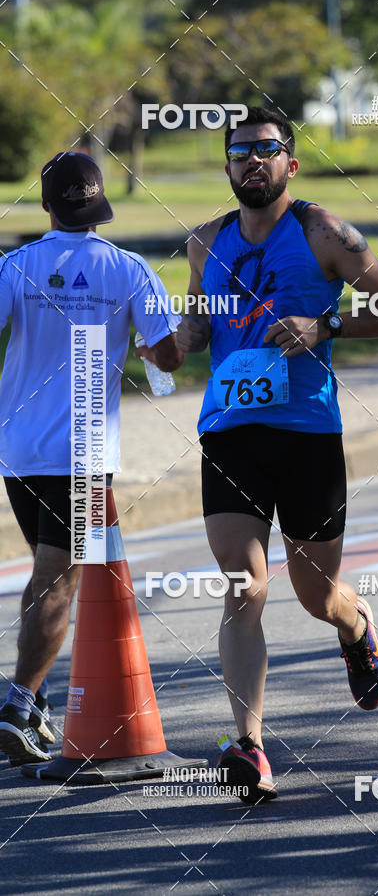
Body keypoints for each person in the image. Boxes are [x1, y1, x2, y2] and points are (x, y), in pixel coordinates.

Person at [177, 105, 378, 804]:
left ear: (291, 162)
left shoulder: (325, 233)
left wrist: (325, 324)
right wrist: (179, 339)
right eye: (240, 152)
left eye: (267, 149)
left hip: (308, 432)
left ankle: (356, 625)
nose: (252, 161)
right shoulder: (205, 242)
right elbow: (199, 320)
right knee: (243, 584)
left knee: (317, 596)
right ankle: (249, 747)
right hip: (230, 430)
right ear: (227, 166)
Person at [0, 151, 182, 765]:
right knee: (59, 577)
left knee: (45, 569)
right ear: (100, 204)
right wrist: (152, 347)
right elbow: (169, 356)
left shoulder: (16, 266)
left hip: (18, 448)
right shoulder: (129, 270)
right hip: (82, 452)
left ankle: (35, 702)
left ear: (45, 205)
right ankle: (17, 706)